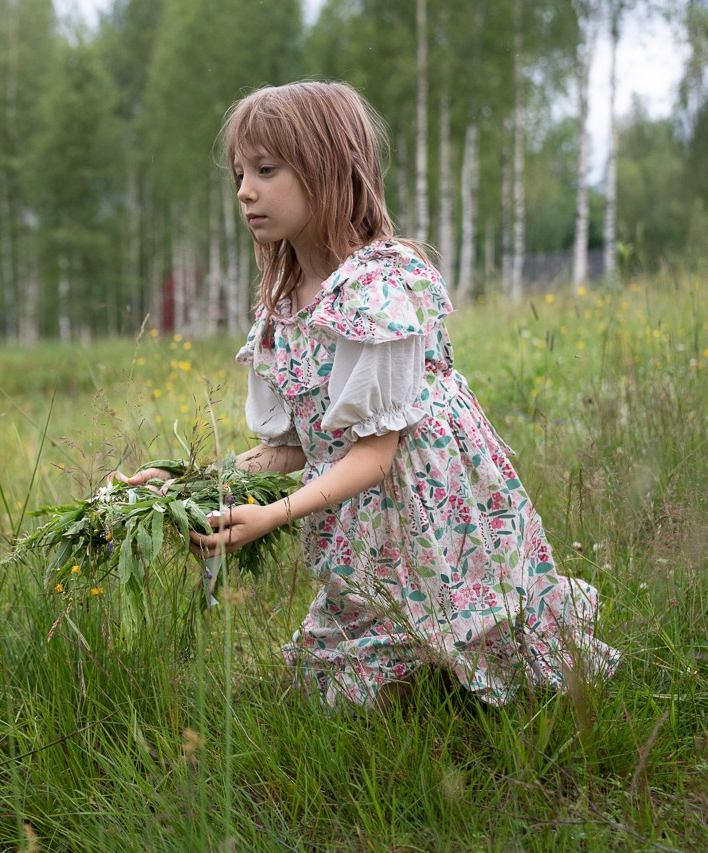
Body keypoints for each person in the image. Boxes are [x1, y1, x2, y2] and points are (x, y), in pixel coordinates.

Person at [119, 81, 618, 709]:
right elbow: (294, 450)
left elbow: (375, 455)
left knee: (477, 649)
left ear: (327, 169)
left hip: (433, 510)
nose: (246, 190)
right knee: (334, 692)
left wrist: (272, 516)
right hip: (361, 524)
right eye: (240, 172)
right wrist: (187, 485)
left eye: (267, 170)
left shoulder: (374, 288)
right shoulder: (283, 308)